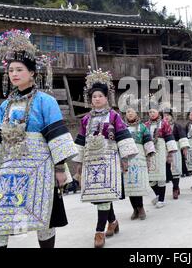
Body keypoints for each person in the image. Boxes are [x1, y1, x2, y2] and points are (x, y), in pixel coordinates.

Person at [0, 29, 78, 248]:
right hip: (10, 168)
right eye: (11, 70)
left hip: (40, 166)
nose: (14, 74)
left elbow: (57, 138)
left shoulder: (46, 101)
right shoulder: (5, 106)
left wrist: (60, 170)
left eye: (19, 70)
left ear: (32, 73)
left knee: (43, 216)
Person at [73, 68, 139, 248]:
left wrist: (124, 160)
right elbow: (81, 140)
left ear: (106, 98)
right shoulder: (86, 119)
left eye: (100, 96)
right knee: (100, 196)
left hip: (109, 159)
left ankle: (99, 231)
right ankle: (114, 221)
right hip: (91, 160)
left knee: (103, 196)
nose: (97, 99)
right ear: (91, 99)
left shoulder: (114, 116)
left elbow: (123, 136)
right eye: (94, 97)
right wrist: (78, 164)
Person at [122, 103, 155, 219]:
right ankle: (134, 209)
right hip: (126, 158)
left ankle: (140, 208)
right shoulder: (122, 127)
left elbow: (148, 142)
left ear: (136, 113)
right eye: (127, 112)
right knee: (129, 185)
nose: (129, 114)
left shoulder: (142, 127)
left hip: (139, 157)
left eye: (131, 111)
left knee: (138, 184)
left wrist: (149, 157)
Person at [144, 97, 178, 208]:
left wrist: (170, 152)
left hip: (161, 150)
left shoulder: (164, 123)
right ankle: (158, 195)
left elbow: (169, 136)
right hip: (149, 152)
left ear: (158, 112)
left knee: (161, 176)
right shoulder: (146, 125)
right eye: (150, 112)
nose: (151, 113)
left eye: (153, 111)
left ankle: (161, 200)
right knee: (150, 178)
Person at [163, 111, 190, 199]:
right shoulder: (160, 126)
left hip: (175, 149)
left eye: (168, 115)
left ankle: (175, 188)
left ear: (171, 116)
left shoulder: (177, 126)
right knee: (166, 170)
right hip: (163, 149)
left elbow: (182, 136)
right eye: (164, 116)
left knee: (175, 170)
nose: (166, 117)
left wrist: (184, 148)